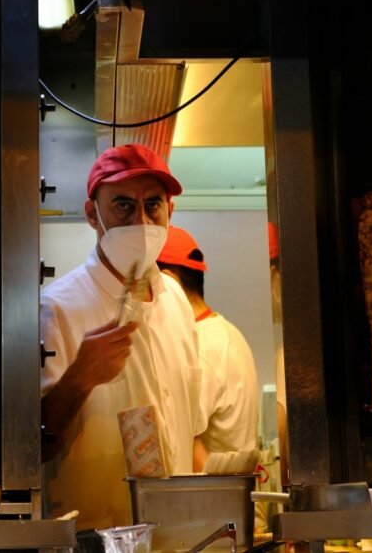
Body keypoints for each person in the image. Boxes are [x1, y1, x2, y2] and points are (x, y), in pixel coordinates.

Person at [39, 144, 205, 530]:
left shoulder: (176, 301)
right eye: (124, 206)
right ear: (91, 215)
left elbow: (191, 432)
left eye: (153, 205)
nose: (142, 223)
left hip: (177, 536)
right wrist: (80, 378)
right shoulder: (57, 308)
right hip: (94, 537)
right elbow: (30, 450)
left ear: (170, 212)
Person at [156, 226, 259, 470]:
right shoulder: (225, 332)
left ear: (169, 281)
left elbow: (186, 443)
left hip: (215, 504)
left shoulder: (201, 348)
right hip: (232, 499)